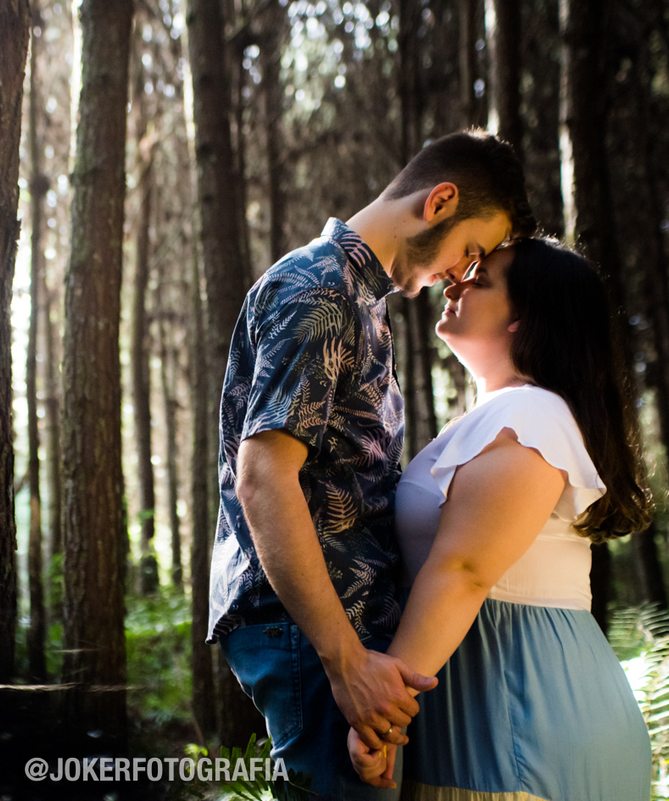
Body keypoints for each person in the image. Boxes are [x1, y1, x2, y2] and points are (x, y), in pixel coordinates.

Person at [208, 130, 536, 800]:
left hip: (340, 636)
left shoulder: (361, 303)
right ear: (440, 201)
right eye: (471, 251)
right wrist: (345, 659)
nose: (463, 274)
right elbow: (263, 477)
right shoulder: (321, 291)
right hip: (310, 633)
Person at [348, 237, 652, 799]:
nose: (454, 283)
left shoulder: (529, 413)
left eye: (479, 278)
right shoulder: (505, 414)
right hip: (503, 705)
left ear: (525, 320)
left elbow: (464, 568)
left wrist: (382, 712)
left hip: (516, 720)